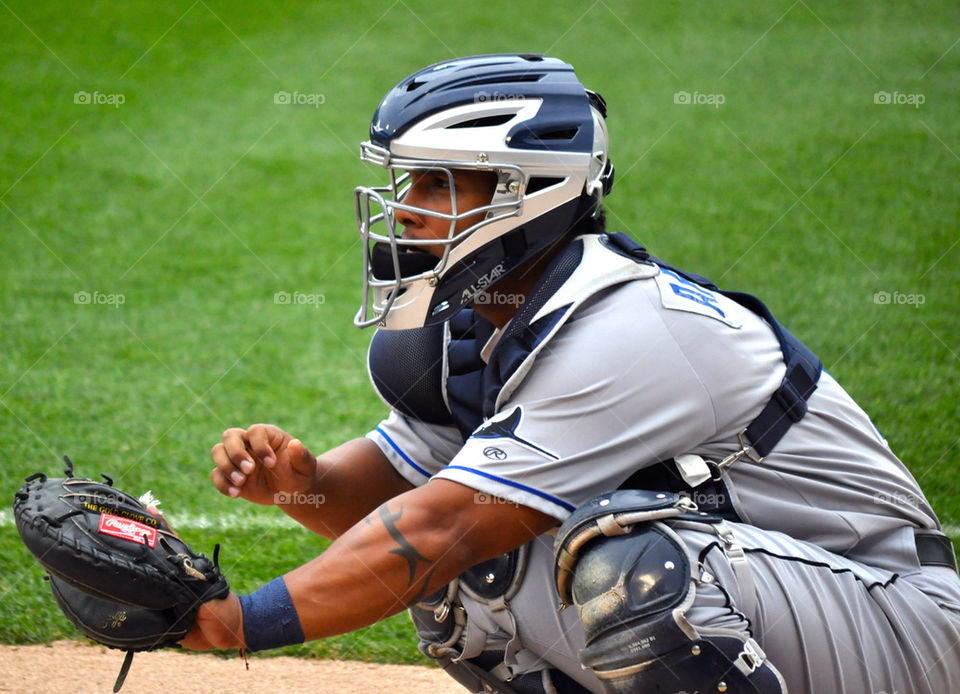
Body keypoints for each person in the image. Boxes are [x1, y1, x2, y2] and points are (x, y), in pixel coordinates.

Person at [182, 54, 960, 693]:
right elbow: (397, 503)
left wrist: (239, 621)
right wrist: (298, 482)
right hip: (780, 605)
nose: (408, 209)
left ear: (527, 191)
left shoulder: (629, 328)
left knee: (632, 571)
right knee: (471, 578)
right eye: (407, 181)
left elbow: (437, 528)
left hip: (899, 626)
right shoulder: (477, 330)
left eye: (438, 183)